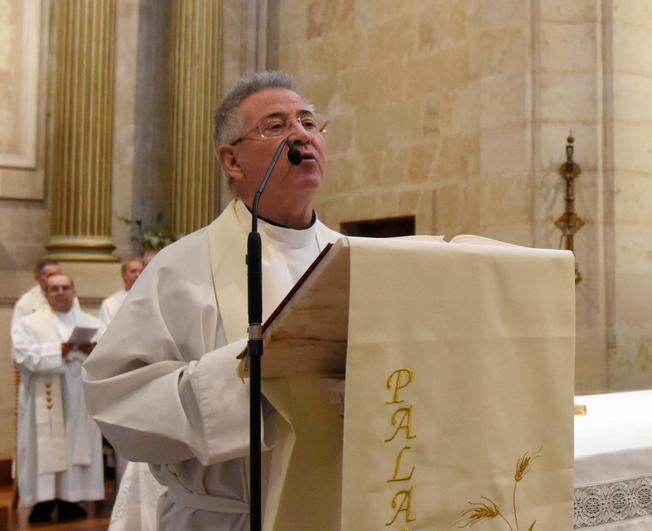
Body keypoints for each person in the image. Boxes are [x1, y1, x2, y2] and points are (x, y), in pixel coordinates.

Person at [82, 70, 340, 530]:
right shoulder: (180, 268)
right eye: (276, 126)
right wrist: (251, 381)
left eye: (308, 121)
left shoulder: (352, 261)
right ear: (232, 161)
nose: (301, 134)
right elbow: (116, 402)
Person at [12, 273, 106, 524]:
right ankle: (42, 504)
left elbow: (110, 355)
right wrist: (58, 350)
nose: (61, 292)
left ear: (75, 291)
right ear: (45, 294)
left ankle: (71, 500)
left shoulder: (92, 323)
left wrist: (93, 350)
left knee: (77, 443)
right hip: (45, 398)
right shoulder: (29, 323)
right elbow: (20, 356)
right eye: (54, 288)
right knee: (43, 445)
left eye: (66, 287)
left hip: (80, 398)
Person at [98, 257, 144, 326]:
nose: (138, 275)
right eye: (133, 271)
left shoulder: (153, 300)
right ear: (123, 274)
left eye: (141, 272)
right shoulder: (109, 304)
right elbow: (104, 331)